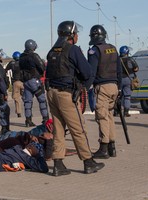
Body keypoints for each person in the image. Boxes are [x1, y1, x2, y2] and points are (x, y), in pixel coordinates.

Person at [45, 20, 105, 176]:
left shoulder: (52, 51)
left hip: (51, 93)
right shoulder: (73, 50)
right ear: (71, 35)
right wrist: (83, 87)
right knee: (78, 129)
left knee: (58, 130)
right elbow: (87, 72)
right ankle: (88, 161)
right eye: (76, 33)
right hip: (66, 95)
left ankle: (58, 164)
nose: (78, 35)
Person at [87, 24, 122, 159]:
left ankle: (103, 148)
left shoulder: (95, 51)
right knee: (109, 116)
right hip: (114, 86)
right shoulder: (112, 49)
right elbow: (119, 69)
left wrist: (85, 87)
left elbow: (92, 71)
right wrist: (118, 87)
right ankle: (112, 147)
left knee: (101, 117)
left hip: (102, 87)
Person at [19, 39, 49, 127]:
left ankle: (28, 120)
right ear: (32, 47)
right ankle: (45, 119)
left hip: (26, 81)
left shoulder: (21, 56)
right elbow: (42, 66)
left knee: (28, 101)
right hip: (34, 80)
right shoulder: (34, 55)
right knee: (42, 100)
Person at [118, 45, 139, 117]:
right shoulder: (130, 59)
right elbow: (136, 68)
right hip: (128, 79)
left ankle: (117, 111)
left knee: (118, 96)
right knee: (127, 96)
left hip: (119, 80)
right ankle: (126, 112)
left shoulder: (117, 60)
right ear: (127, 52)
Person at [5, 51, 24, 118]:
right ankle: (28, 112)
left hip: (15, 82)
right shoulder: (23, 62)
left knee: (16, 98)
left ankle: (18, 112)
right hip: (23, 82)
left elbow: (6, 70)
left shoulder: (11, 63)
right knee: (26, 97)